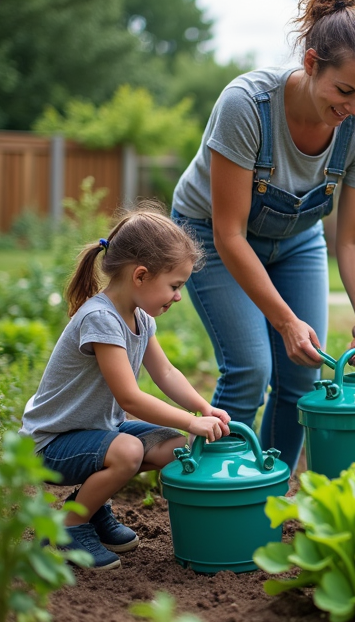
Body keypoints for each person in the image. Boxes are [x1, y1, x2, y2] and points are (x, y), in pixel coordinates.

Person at [170, 0, 355, 471]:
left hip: (295, 240)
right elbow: (229, 233)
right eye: (345, 90)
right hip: (209, 233)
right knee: (251, 367)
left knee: (302, 377)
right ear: (312, 63)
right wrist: (285, 320)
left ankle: (265, 490)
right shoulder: (247, 106)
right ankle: (216, 485)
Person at [21, 206, 231, 570]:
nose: (178, 296)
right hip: (51, 443)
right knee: (129, 450)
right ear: (141, 275)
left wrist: (203, 409)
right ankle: (68, 527)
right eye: (175, 285)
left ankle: (91, 506)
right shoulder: (100, 318)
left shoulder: (142, 318)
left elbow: (165, 371)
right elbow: (129, 397)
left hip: (96, 433)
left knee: (174, 446)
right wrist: (190, 420)